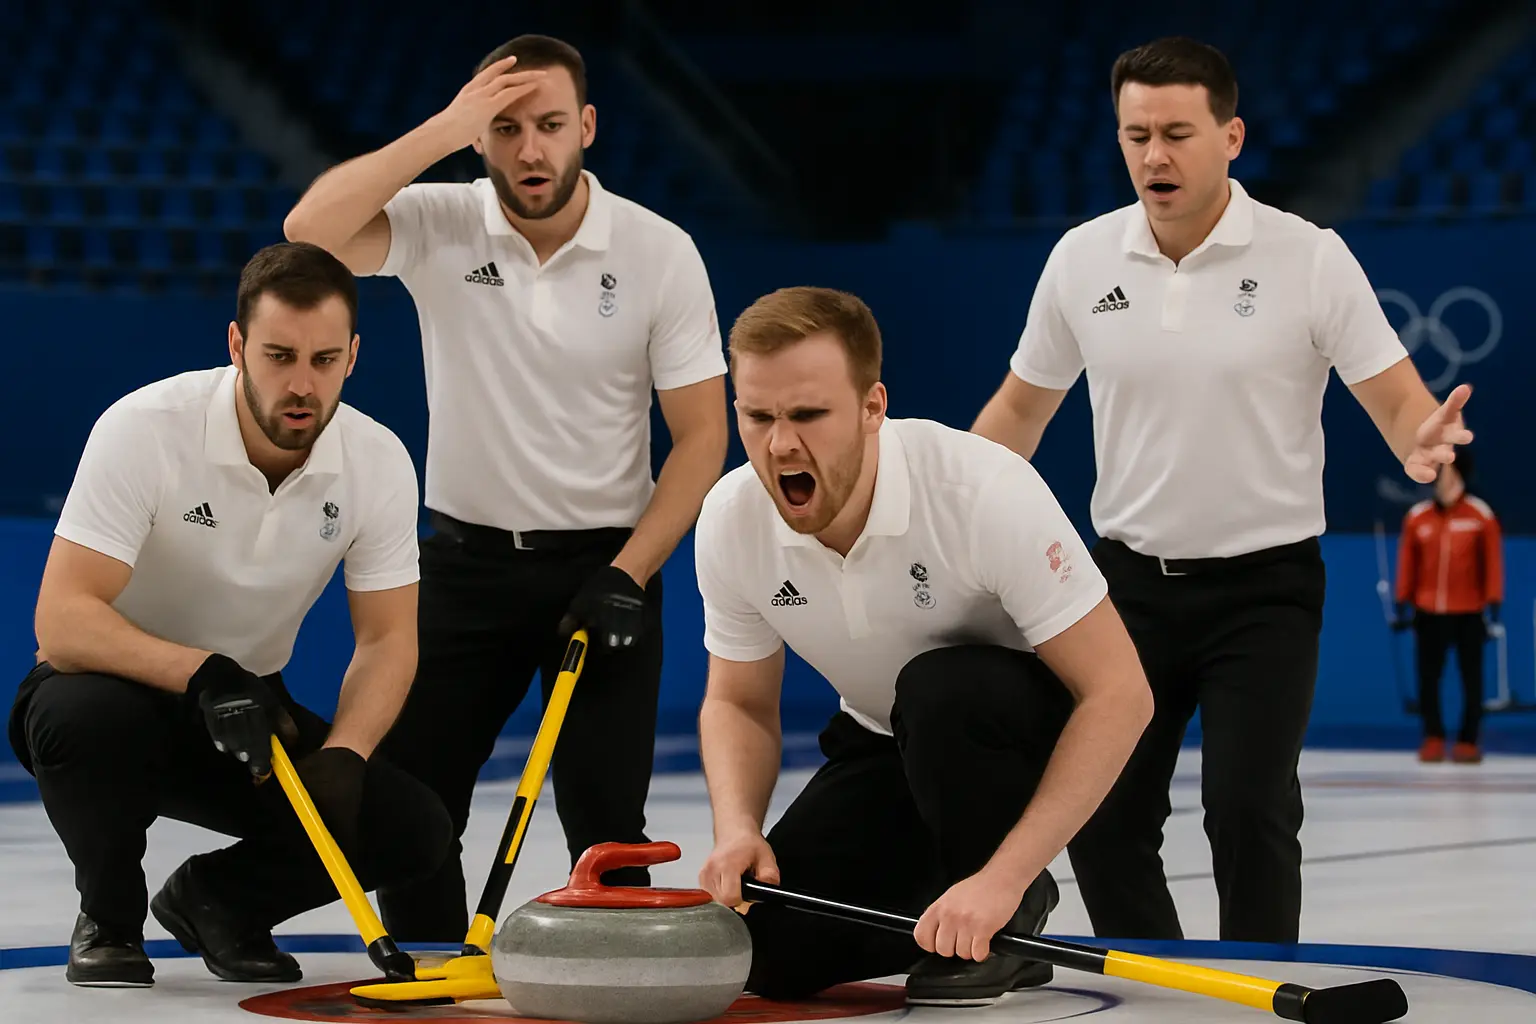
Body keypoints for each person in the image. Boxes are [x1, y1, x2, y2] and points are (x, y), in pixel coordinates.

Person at [969, 36, 1474, 945]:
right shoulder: (1082, 260)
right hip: (1122, 590)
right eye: (1135, 136)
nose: (1154, 156)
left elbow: (1400, 402)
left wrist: (1424, 443)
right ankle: (1164, 980)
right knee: (1107, 817)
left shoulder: (1309, 257)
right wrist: (950, 491)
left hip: (1266, 590)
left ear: (1231, 136)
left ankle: (1259, 987)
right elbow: (1020, 410)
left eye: (1177, 133)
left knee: (1248, 809)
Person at [282, 33, 728, 938]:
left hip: (608, 570)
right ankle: (431, 967)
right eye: (507, 128)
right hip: (462, 566)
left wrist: (629, 574)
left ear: (587, 128)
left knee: (607, 820)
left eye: (552, 124)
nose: (531, 149)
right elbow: (309, 232)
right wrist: (443, 126)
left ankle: (611, 984)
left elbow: (701, 438)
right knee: (413, 804)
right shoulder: (439, 220)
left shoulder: (659, 250)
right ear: (480, 140)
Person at [692, 286, 1153, 1006]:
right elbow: (738, 702)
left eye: (809, 414)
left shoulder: (981, 490)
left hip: (1026, 741)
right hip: (891, 745)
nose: (781, 444)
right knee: (766, 956)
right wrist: (737, 829)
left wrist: (1003, 877)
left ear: (874, 407)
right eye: (758, 416)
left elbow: (1121, 694)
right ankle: (957, 916)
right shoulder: (730, 519)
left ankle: (1014, 897)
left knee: (941, 688)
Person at [6, 242, 451, 988]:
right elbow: (63, 621)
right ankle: (109, 919)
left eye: (324, 360)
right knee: (86, 720)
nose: (302, 385)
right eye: (279, 356)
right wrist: (204, 673)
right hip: (112, 686)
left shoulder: (378, 461)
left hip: (250, 710)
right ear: (237, 344)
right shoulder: (146, 426)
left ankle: (218, 901)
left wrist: (348, 751)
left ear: (354, 356)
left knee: (413, 829)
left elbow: (387, 639)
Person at [1394, 449, 1503, 764]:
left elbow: (1493, 561)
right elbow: (1407, 562)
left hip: (1469, 610)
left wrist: (1494, 597)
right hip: (1428, 611)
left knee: (1472, 679)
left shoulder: (1480, 516)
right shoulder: (1418, 518)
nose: (1442, 479)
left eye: (1448, 472)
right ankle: (1433, 736)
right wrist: (1404, 597)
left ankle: (1468, 740)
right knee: (1428, 678)